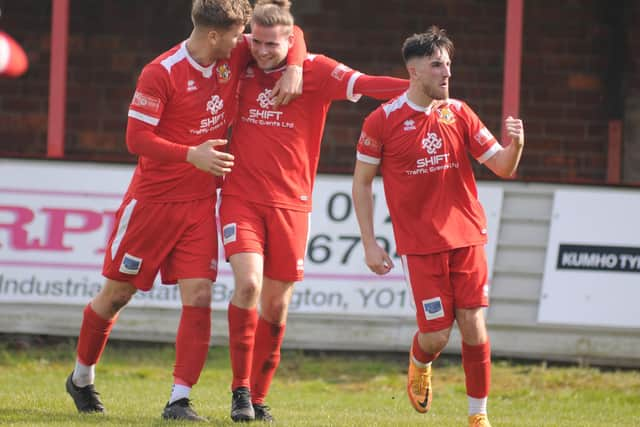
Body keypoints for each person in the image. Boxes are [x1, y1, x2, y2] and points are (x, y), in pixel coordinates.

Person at [64, 0, 307, 421]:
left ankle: (178, 399)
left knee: (198, 295)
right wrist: (190, 155)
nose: (244, 44)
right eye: (237, 36)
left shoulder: (231, 51)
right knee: (117, 294)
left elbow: (291, 33)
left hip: (199, 205)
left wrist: (295, 67)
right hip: (152, 203)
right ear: (214, 35)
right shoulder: (161, 72)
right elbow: (136, 138)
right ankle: (81, 377)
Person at [218, 0, 409, 422]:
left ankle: (261, 397)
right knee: (248, 285)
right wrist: (289, 61)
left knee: (277, 305)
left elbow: (370, 83)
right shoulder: (241, 58)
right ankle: (240, 391)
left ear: (290, 39)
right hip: (241, 197)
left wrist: (422, 93)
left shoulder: (316, 70)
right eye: (258, 43)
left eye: (274, 45)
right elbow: (213, 40)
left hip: (292, 203)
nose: (263, 51)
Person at [352, 26, 525, 427]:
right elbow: (361, 183)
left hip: (467, 236)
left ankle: (478, 415)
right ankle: (419, 359)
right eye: (436, 66)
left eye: (448, 65)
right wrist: (370, 243)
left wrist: (515, 146)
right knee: (436, 336)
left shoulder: (459, 112)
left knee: (474, 323)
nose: (446, 73)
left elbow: (501, 166)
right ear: (413, 72)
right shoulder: (382, 121)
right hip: (421, 244)